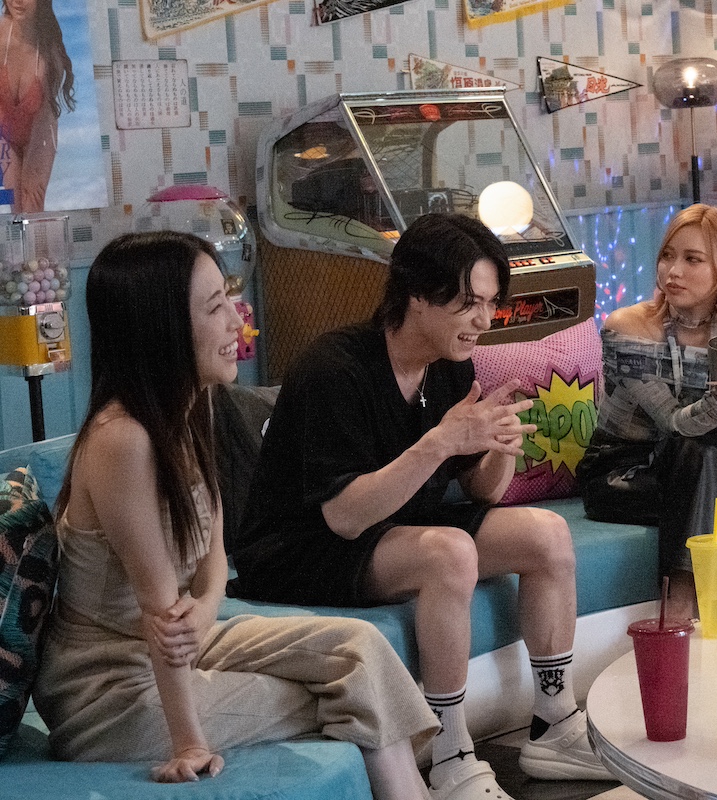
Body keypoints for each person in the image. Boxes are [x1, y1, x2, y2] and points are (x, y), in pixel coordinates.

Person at [32, 231, 439, 798]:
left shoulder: (193, 404)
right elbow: (160, 614)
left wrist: (203, 613)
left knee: (361, 650)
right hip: (110, 695)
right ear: (162, 328)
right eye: (214, 307)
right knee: (348, 695)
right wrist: (189, 745)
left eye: (230, 298)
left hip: (186, 644)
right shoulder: (121, 441)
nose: (237, 322)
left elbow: (214, 558)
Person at [230, 213, 609, 799]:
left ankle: (555, 725)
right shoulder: (335, 368)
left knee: (547, 535)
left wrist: (499, 443)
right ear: (416, 295)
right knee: (448, 553)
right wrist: (439, 442)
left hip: (395, 525)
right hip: (301, 546)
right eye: (468, 303)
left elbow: (483, 491)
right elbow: (344, 517)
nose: (483, 319)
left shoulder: (451, 365)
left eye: (490, 303)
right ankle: (450, 752)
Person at [576, 203, 717, 620]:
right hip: (620, 474)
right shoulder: (628, 326)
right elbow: (676, 425)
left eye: (692, 259)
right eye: (667, 255)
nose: (672, 271)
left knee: (712, 464)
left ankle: (688, 613)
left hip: (699, 468)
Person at [0, 0, 74, 212]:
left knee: (32, 203)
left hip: (40, 131)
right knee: (16, 208)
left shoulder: (50, 53)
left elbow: (45, 116)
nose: (17, 1)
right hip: (4, 132)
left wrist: (32, 167)